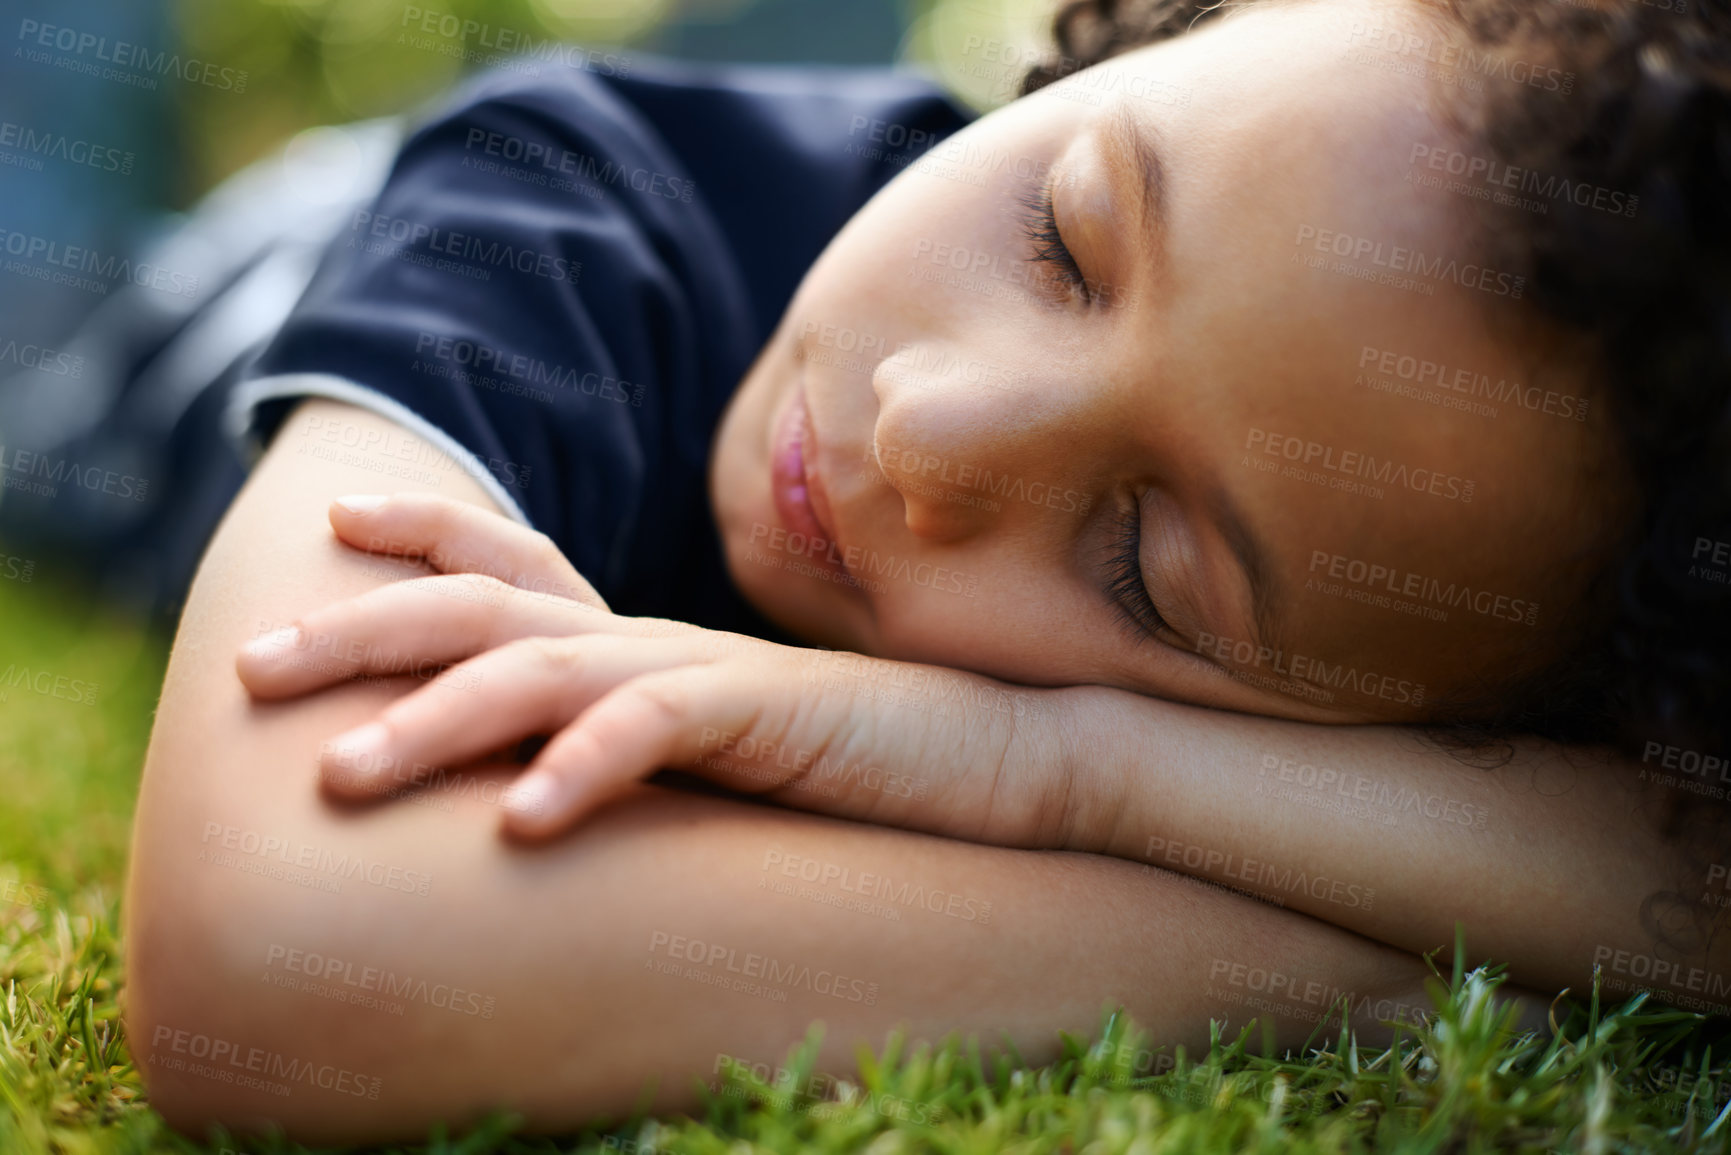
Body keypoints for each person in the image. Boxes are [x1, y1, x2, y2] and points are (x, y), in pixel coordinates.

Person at [125, 0, 1730, 1142]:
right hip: (206, 291)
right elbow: (277, 951)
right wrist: (1325, 958)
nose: (930, 431)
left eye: (1151, 569)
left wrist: (1069, 773)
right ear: (1173, 28)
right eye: (1067, 237)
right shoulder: (577, 204)